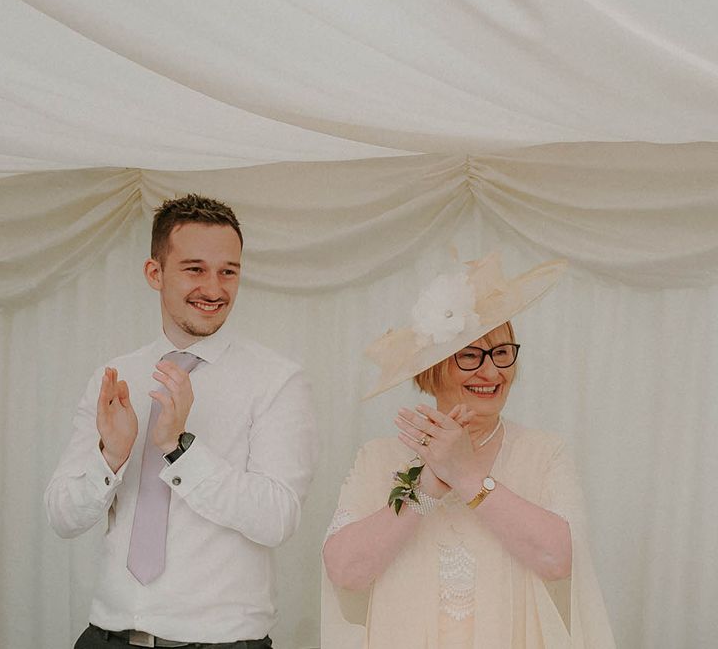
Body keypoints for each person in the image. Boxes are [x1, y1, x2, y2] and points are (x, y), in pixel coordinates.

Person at [45, 194, 317, 649]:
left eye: (228, 271)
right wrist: (110, 457)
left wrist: (179, 449)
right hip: (107, 637)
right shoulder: (114, 377)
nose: (214, 288)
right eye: (195, 268)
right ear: (156, 273)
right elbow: (62, 517)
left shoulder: (277, 380)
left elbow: (277, 518)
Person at [322, 252, 615, 648]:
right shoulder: (378, 458)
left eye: (502, 352)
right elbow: (345, 571)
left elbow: (559, 561)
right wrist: (426, 489)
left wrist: (467, 475)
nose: (493, 372)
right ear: (432, 369)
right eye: (470, 356)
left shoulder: (544, 453)